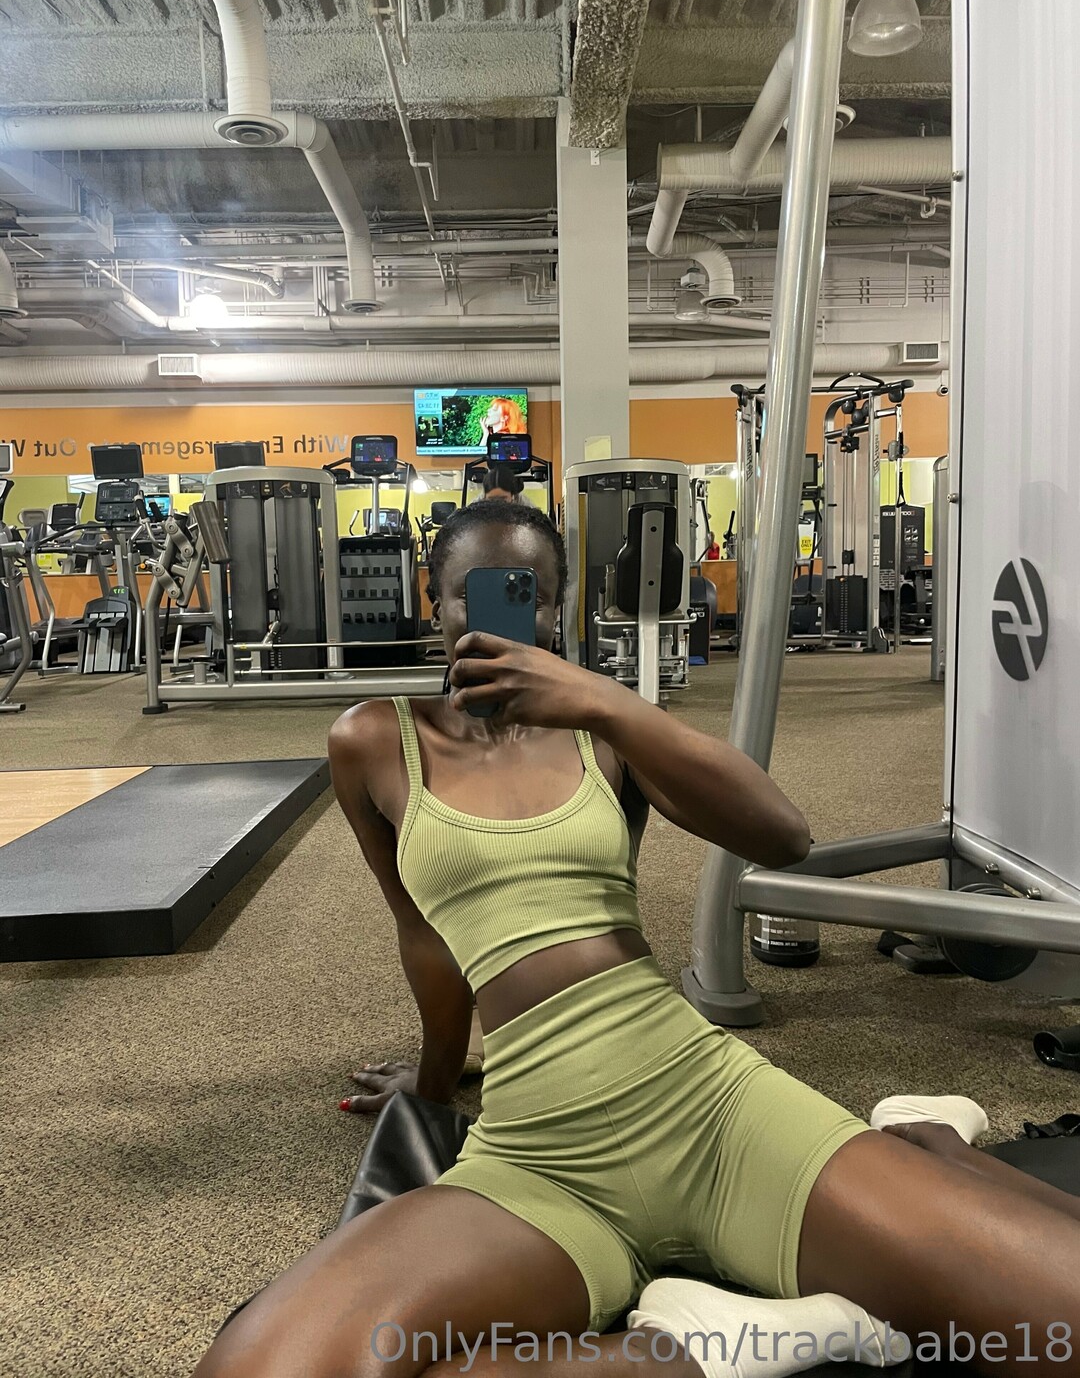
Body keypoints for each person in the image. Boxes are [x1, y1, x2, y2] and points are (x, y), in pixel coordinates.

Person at [195, 501, 1080, 1378]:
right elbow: (424, 938)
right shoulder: (372, 741)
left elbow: (782, 836)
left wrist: (606, 702)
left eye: (535, 596)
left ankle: (924, 1144)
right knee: (259, 1368)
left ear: (558, 609)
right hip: (537, 1155)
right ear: (437, 602)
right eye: (477, 592)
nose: (507, 616)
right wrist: (428, 1094)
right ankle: (690, 1347)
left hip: (706, 1109)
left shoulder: (602, 732)